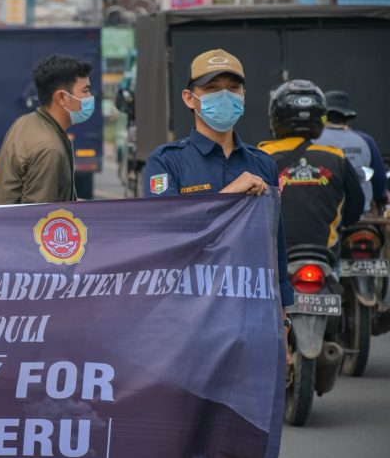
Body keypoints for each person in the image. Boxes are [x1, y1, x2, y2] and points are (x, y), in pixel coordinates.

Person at [144, 48, 294, 312]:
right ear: (189, 99)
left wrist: (283, 315)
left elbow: (275, 244)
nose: (224, 96)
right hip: (189, 307)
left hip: (250, 307)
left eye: (233, 88)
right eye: (212, 88)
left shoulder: (263, 163)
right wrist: (230, 195)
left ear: (243, 97)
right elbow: (165, 233)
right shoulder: (166, 161)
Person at [259, 80, 364, 251]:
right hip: (325, 252)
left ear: (276, 117)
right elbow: (355, 209)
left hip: (276, 254)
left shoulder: (262, 155)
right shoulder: (337, 157)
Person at [0, 54, 94, 205]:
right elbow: (38, 218)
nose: (90, 97)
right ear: (62, 97)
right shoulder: (48, 148)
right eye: (85, 91)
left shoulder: (25, 122)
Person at [314, 90, 387, 213]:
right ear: (347, 116)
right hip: (360, 216)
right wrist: (382, 199)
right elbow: (379, 182)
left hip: (324, 216)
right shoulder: (366, 141)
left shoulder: (313, 140)